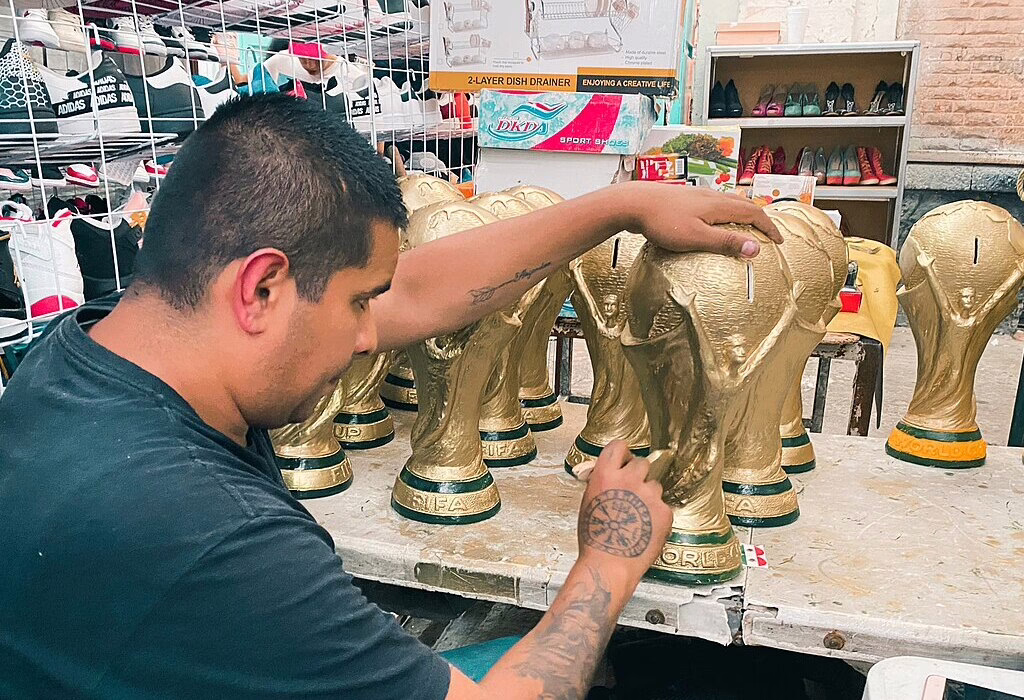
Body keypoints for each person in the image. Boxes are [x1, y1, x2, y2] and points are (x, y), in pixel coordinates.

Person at [0, 94, 780, 699]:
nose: (373, 337)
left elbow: (413, 291)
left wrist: (620, 206)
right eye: (355, 305)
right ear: (262, 287)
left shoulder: (88, 350)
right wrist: (609, 559)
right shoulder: (208, 539)